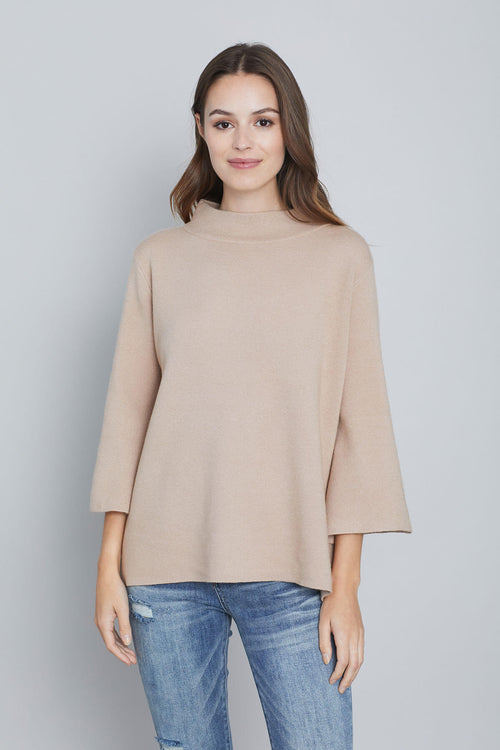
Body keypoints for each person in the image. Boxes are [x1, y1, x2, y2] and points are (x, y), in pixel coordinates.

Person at [90, 42, 412, 750]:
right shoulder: (160, 258)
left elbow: (359, 427)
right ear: (200, 130)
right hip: (164, 571)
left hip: (293, 570)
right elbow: (128, 418)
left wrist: (346, 588)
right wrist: (109, 567)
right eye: (224, 122)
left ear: (289, 129)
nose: (243, 141)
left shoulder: (339, 256)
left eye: (263, 121)